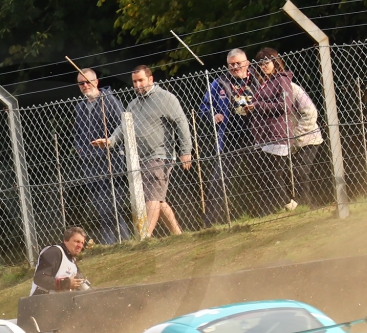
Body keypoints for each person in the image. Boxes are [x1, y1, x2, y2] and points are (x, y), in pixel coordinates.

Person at [92, 65, 193, 238]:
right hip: (141, 159)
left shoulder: (166, 98)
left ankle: (144, 238)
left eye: (141, 80)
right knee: (158, 199)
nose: (137, 85)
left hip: (161, 156)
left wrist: (186, 150)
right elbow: (123, 127)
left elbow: (181, 122)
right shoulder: (133, 105)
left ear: (151, 79)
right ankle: (178, 235)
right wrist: (110, 141)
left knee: (152, 197)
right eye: (134, 82)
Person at [72, 68, 132, 244]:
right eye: (81, 83)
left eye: (87, 82)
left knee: (111, 205)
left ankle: (120, 241)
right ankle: (116, 243)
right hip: (90, 164)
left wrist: (109, 142)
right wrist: (80, 150)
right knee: (100, 206)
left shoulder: (110, 101)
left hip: (111, 161)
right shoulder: (80, 107)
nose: (84, 86)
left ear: (96, 82)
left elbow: (122, 128)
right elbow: (77, 134)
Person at [198, 48, 257, 226]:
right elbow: (203, 109)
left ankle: (266, 211)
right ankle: (209, 224)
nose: (235, 67)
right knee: (218, 181)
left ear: (247, 63)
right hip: (229, 138)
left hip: (255, 135)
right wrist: (213, 115)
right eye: (231, 64)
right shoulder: (218, 83)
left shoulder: (257, 79)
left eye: (239, 63)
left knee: (262, 175)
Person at [245, 47, 296, 215]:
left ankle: (289, 204)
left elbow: (285, 106)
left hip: (277, 134)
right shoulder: (265, 82)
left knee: (274, 175)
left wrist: (257, 105)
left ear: (275, 61)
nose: (263, 66)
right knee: (266, 175)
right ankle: (271, 210)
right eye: (260, 64)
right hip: (263, 136)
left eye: (266, 62)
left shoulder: (281, 80)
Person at [288, 80, 324, 206]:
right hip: (285, 142)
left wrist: (296, 136)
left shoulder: (293, 89)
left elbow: (310, 113)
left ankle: (307, 205)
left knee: (300, 171)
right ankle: (299, 204)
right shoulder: (263, 91)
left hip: (307, 138)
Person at [30, 226, 91, 296]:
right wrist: (66, 283)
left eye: (82, 243)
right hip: (41, 302)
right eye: (77, 241)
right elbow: (39, 278)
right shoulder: (54, 252)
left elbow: (82, 285)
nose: (80, 246)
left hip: (59, 302)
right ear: (66, 240)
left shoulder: (72, 261)